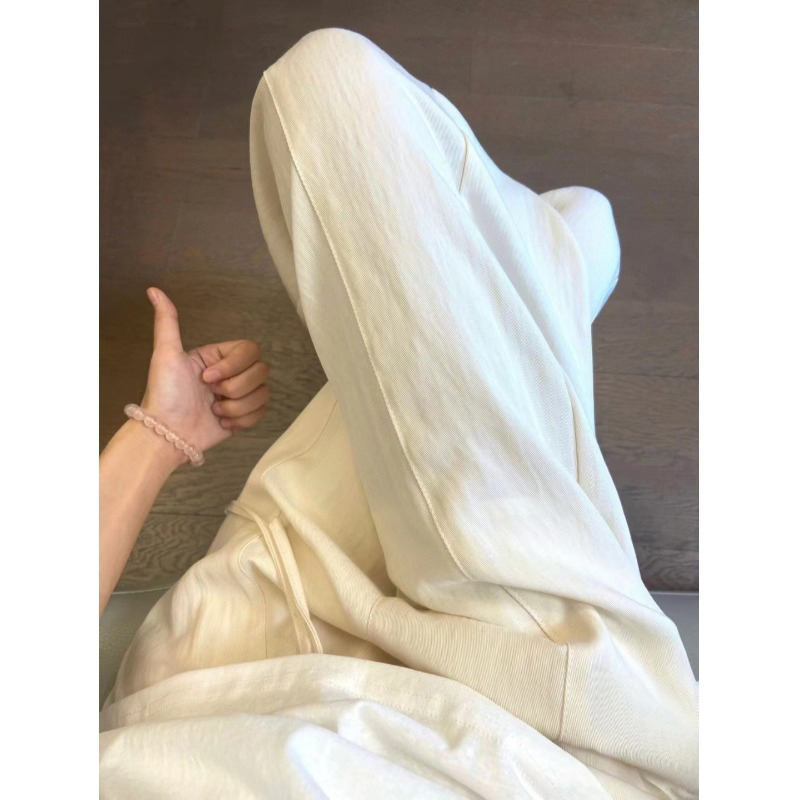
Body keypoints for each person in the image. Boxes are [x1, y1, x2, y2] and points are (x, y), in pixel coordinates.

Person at [99, 28, 698, 800]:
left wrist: (161, 436)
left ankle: (559, 270)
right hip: (555, 742)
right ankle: (560, 270)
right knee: (577, 229)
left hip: (224, 676)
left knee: (326, 84)